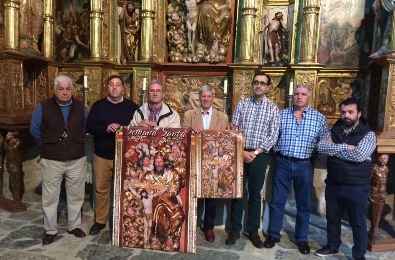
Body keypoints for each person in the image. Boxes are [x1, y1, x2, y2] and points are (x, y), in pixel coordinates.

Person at [263, 85, 329, 254]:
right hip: (283, 163)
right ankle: (273, 234)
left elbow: (325, 141)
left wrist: (314, 153)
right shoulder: (281, 115)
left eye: (303, 94)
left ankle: (301, 239)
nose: (299, 97)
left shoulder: (319, 118)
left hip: (304, 165)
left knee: (304, 205)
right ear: (293, 97)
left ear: (309, 97)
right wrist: (277, 151)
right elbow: (271, 136)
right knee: (277, 201)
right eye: (296, 94)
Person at [315, 98, 376, 260]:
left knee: (357, 223)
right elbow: (321, 147)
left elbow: (359, 155)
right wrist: (346, 147)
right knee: (332, 219)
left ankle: (358, 255)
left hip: (356, 186)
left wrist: (334, 149)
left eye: (350, 112)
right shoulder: (335, 129)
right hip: (334, 183)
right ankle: (332, 246)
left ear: (359, 113)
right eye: (343, 112)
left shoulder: (368, 134)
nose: (346, 115)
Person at [30, 75, 88, 245]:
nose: (64, 92)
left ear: (72, 90)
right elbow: (34, 129)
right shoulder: (43, 106)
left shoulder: (80, 107)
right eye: (61, 89)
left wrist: (72, 141)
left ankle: (74, 225)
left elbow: (84, 128)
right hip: (52, 159)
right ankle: (50, 230)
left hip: (76, 158)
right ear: (55, 90)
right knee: (50, 197)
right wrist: (51, 142)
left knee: (76, 195)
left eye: (68, 89)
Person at [226, 72, 280, 248]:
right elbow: (234, 130)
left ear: (268, 87)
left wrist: (255, 153)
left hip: (259, 155)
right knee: (237, 193)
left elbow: (273, 136)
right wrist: (241, 151)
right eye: (256, 82)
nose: (258, 85)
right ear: (252, 85)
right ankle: (235, 229)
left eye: (262, 83)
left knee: (255, 195)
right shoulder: (242, 104)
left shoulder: (272, 108)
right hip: (240, 153)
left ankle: (253, 231)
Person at [87, 75, 139, 236]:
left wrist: (125, 129)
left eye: (118, 84)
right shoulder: (98, 106)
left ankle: (124, 219)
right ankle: (100, 221)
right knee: (101, 190)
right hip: (102, 155)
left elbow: (137, 129)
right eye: (111, 85)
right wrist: (106, 129)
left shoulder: (132, 107)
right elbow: (90, 126)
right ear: (107, 88)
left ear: (123, 88)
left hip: (125, 157)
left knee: (126, 190)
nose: (114, 88)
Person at [182, 85, 229, 242]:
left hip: (213, 163)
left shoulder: (222, 117)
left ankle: (209, 227)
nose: (206, 99)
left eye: (209, 96)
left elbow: (225, 140)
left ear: (213, 98)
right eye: (203, 96)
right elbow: (182, 134)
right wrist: (190, 129)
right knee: (192, 193)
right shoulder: (189, 115)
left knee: (211, 195)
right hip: (194, 159)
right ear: (199, 98)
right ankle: (191, 224)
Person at [141, 152, 184, 251]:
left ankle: (172, 237)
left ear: (164, 162)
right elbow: (142, 186)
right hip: (156, 202)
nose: (159, 164)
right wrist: (144, 192)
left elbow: (176, 185)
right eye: (157, 161)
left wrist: (169, 194)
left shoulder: (172, 173)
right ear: (153, 162)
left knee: (179, 215)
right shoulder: (149, 175)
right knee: (160, 208)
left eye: (161, 162)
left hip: (170, 201)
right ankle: (167, 239)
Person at [368, 153, 389, 242]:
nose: (383, 160)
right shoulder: (373, 168)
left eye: (385, 158)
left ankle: (375, 229)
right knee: (374, 211)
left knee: (379, 212)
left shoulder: (386, 169)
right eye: (381, 158)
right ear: (378, 159)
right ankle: (373, 230)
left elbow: (385, 181)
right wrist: (368, 193)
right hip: (375, 193)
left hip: (383, 193)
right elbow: (367, 180)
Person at [4, 131, 25, 204]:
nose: (7, 136)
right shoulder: (9, 143)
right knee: (13, 182)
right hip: (10, 164)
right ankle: (16, 197)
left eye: (9, 135)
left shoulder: (17, 142)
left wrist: (5, 143)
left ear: (13, 136)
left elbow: (12, 149)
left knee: (15, 182)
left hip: (15, 165)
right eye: (7, 134)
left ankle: (17, 198)